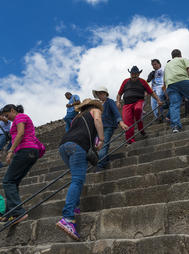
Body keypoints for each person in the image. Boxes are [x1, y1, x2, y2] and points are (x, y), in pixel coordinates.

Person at [55, 98, 105, 241]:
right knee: (77, 180)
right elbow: (97, 120)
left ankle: (76, 206)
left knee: (76, 178)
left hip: (64, 146)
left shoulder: (77, 117)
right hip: (78, 146)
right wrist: (101, 140)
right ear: (93, 106)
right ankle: (68, 218)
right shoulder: (94, 111)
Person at [0, 104, 40, 225]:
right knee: (13, 181)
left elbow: (21, 133)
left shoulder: (20, 116)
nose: (8, 118)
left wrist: (11, 151)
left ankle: (17, 212)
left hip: (25, 150)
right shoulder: (20, 118)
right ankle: (8, 214)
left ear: (12, 110)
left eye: (7, 115)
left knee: (7, 181)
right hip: (32, 151)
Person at [116, 66, 163, 144]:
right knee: (127, 122)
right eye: (132, 74)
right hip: (127, 104)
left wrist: (158, 100)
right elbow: (119, 94)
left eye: (135, 74)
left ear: (139, 74)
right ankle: (131, 141)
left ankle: (141, 129)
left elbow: (151, 92)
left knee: (138, 109)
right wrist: (118, 102)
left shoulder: (143, 82)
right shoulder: (125, 82)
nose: (134, 76)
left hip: (138, 101)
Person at [163, 49, 189, 133]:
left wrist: (167, 95)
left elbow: (164, 82)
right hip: (183, 81)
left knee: (174, 105)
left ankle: (175, 126)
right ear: (180, 55)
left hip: (171, 85)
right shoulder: (183, 59)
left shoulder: (167, 65)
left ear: (172, 57)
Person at [92, 87, 128, 172]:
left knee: (103, 144)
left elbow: (115, 112)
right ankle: (106, 158)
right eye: (98, 94)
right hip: (99, 128)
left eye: (100, 93)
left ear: (105, 94)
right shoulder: (99, 105)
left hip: (108, 126)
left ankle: (101, 165)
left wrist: (120, 122)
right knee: (97, 145)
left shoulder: (110, 101)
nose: (99, 96)